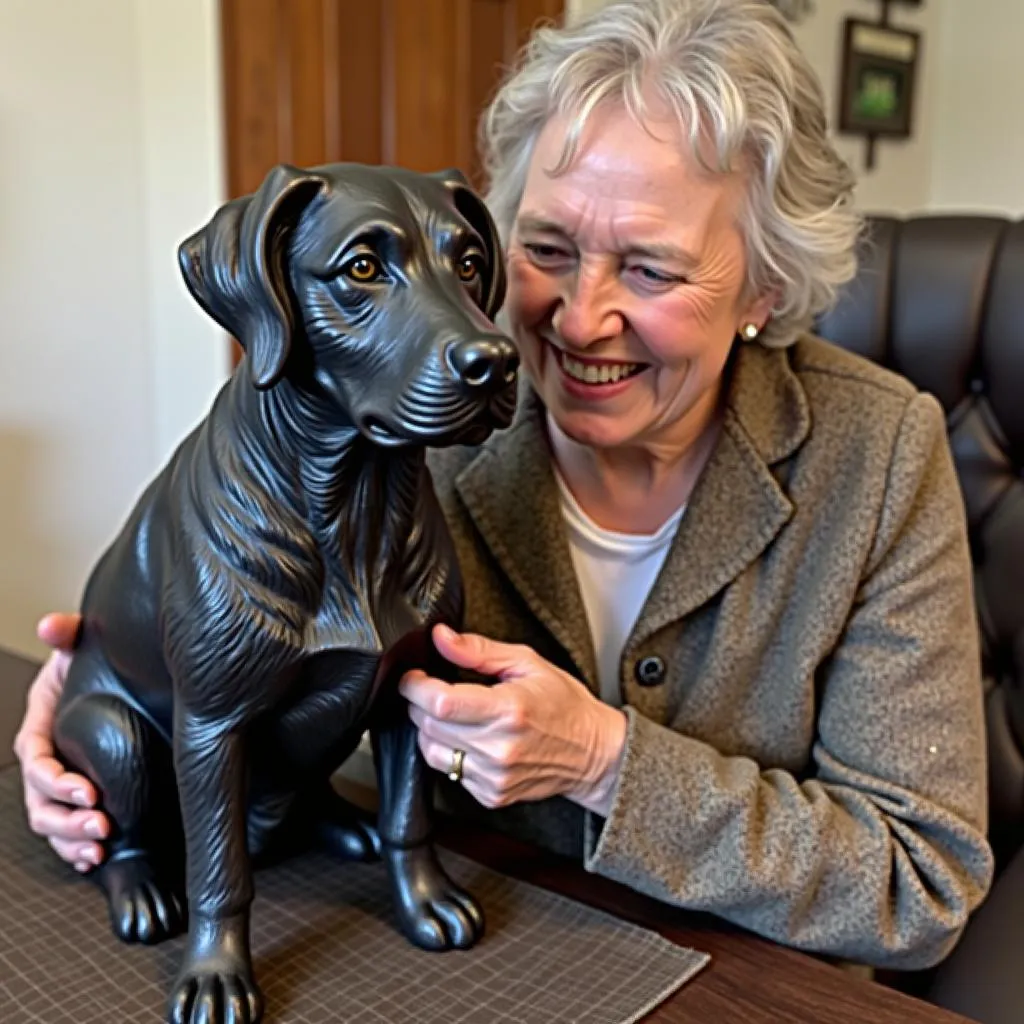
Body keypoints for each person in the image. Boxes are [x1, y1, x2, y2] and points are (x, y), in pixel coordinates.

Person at [13, 0, 993, 972]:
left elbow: (919, 882)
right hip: (470, 955)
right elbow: (265, 673)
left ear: (763, 289)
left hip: (749, 979)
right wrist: (90, 706)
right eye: (548, 250)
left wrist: (610, 765)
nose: (576, 320)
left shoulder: (879, 456)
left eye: (649, 269)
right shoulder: (402, 409)